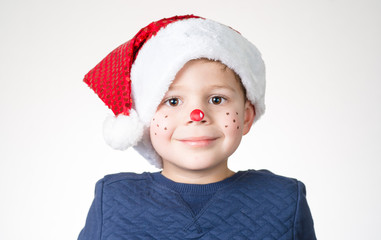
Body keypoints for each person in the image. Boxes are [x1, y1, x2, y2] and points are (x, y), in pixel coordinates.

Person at [78, 15, 317, 240]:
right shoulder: (112, 199)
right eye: (173, 101)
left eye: (217, 99)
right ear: (145, 119)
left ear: (246, 117)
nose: (197, 116)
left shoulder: (286, 199)